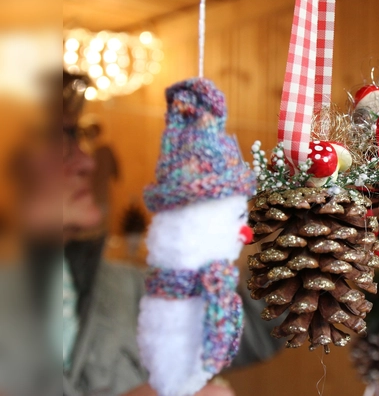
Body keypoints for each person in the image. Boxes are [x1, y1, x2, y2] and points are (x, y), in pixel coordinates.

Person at [0, 71, 283, 396]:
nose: (88, 163)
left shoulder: (121, 285)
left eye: (78, 137)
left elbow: (254, 325)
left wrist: (306, 241)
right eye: (58, 140)